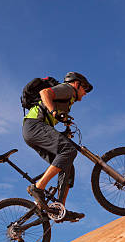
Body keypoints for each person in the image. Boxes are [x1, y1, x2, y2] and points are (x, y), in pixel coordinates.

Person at [22, 71, 93, 222]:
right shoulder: (67, 89)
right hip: (34, 126)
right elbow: (45, 92)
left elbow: (52, 119)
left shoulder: (68, 102)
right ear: (76, 84)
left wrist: (65, 126)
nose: (85, 93)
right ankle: (38, 187)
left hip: (33, 131)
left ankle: (59, 208)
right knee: (69, 150)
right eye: (84, 88)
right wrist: (55, 112)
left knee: (67, 165)